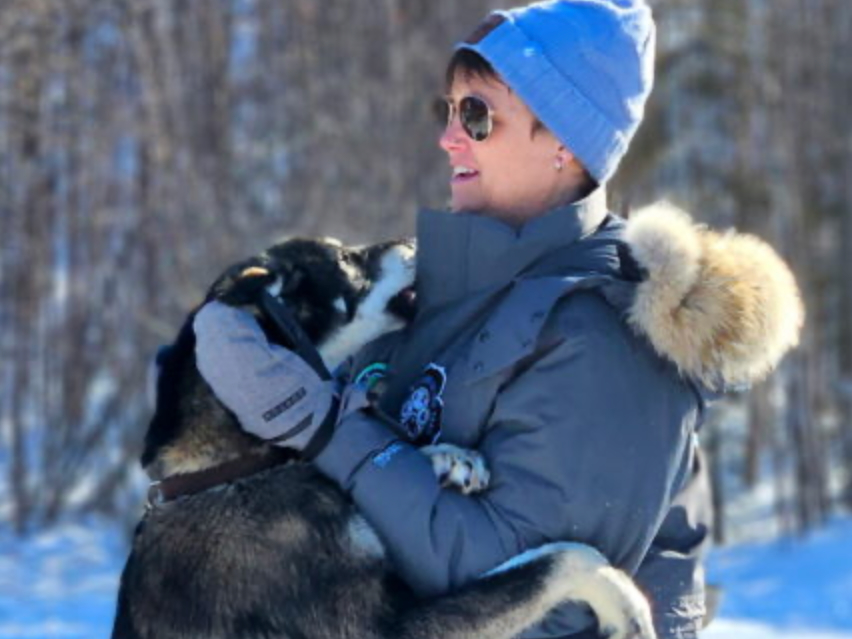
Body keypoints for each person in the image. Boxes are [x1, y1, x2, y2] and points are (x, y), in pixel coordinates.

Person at [192, 1, 802, 637]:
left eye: (478, 116)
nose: (449, 137)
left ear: (564, 142)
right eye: (449, 111)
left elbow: (533, 599)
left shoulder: (602, 338)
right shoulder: (436, 293)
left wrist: (317, 423)